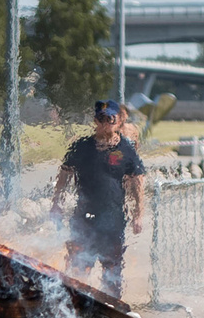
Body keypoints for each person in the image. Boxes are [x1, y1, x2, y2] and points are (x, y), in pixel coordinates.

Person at [51, 99, 147, 298]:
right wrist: (56, 203)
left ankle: (111, 308)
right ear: (95, 121)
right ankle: (74, 306)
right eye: (102, 118)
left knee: (112, 270)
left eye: (111, 118)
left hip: (113, 219)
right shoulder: (81, 147)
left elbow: (138, 181)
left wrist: (139, 213)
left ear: (118, 121)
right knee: (77, 267)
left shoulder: (126, 149)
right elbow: (64, 175)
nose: (106, 122)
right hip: (83, 217)